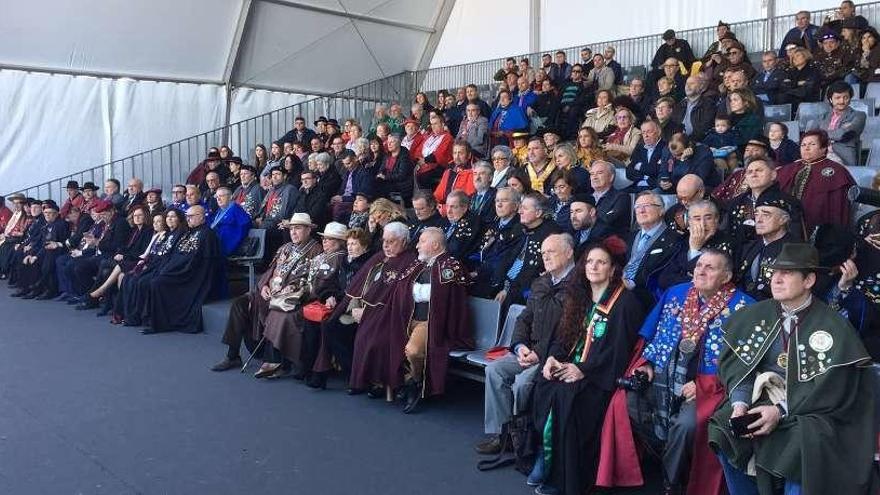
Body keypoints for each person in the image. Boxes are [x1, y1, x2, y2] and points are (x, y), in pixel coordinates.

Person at [709, 243, 878, 495]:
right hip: (762, 399)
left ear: (809, 279)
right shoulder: (754, 315)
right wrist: (740, 406)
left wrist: (780, 411)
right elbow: (740, 369)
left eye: (786, 273)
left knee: (803, 441)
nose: (776, 279)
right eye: (774, 272)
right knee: (723, 427)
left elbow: (832, 390)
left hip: (817, 410)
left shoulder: (833, 325)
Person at [623, 250, 753, 495]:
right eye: (699, 265)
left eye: (710, 268)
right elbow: (654, 334)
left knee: (685, 426)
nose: (701, 271)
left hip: (709, 388)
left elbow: (745, 363)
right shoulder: (677, 293)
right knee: (626, 401)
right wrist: (647, 363)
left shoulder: (744, 307)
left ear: (726, 276)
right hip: (664, 376)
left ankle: (670, 482)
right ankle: (663, 451)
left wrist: (705, 384)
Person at [529, 237, 645, 495]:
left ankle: (566, 478)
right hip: (573, 364)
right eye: (590, 261)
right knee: (544, 383)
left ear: (613, 269)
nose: (593, 267)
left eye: (601, 262)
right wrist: (553, 358)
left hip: (600, 376)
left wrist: (584, 370)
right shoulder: (578, 295)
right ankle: (545, 458)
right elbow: (563, 336)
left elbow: (618, 352)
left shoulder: (625, 304)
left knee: (568, 397)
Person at [476, 234, 575, 455]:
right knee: (494, 369)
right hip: (528, 350)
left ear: (569, 253)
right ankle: (501, 434)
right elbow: (524, 319)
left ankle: (522, 435)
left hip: (555, 356)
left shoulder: (580, 285)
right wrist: (520, 346)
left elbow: (569, 330)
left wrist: (538, 354)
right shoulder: (541, 282)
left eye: (551, 252)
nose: (545, 257)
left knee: (522, 384)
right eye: (543, 253)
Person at [211, 212, 320, 372]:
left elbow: (311, 281)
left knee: (278, 312)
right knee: (239, 304)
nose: (293, 232)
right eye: (291, 229)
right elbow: (270, 271)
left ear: (308, 230)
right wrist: (264, 287)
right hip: (270, 293)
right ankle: (232, 355)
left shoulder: (315, 250)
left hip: (290, 298)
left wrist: (289, 289)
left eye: (298, 228)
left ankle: (276, 359)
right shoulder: (285, 247)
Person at [383, 227, 472, 413]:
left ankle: (415, 383)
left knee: (413, 351)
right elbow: (401, 286)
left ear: (435, 244)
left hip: (431, 323)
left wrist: (417, 292)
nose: (417, 245)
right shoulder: (419, 264)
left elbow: (445, 298)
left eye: (422, 241)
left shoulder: (451, 265)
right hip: (408, 318)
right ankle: (404, 381)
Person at [262, 221, 346, 381]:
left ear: (340, 242)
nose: (325, 242)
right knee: (278, 309)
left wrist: (302, 291)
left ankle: (291, 362)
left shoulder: (338, 258)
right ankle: (276, 360)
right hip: (303, 294)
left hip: (316, 299)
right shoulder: (323, 255)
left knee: (286, 314)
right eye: (324, 239)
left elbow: (325, 284)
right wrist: (294, 286)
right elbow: (304, 275)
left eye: (330, 239)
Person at [349, 222, 419, 396]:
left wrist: (368, 311)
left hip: (392, 314)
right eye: (384, 241)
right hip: (369, 310)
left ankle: (380, 382)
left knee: (374, 338)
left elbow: (400, 297)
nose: (386, 245)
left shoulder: (410, 261)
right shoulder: (381, 256)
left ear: (403, 241)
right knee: (336, 327)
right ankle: (362, 379)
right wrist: (356, 306)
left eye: (391, 241)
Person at [306, 227, 375, 388]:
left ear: (364, 246)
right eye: (349, 243)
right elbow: (333, 284)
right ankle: (314, 370)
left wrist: (343, 301)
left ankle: (347, 372)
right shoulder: (345, 262)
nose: (350, 247)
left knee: (330, 327)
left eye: (354, 244)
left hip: (355, 308)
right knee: (313, 323)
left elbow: (366, 292)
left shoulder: (368, 264)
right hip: (339, 304)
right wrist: (329, 296)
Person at [146, 205, 222, 335]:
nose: (188, 219)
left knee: (158, 283)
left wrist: (178, 270)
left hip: (192, 275)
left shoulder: (207, 234)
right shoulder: (188, 232)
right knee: (155, 279)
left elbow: (204, 262)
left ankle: (162, 323)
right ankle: (158, 321)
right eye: (187, 216)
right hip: (178, 270)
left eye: (191, 216)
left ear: (202, 217)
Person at [776, 130, 856, 232]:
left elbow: (838, 206)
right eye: (803, 145)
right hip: (786, 223)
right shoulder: (789, 168)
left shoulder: (837, 170)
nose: (806, 148)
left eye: (812, 144)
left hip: (820, 227)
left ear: (823, 148)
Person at [493, 193, 561, 305]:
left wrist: (507, 290)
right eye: (520, 208)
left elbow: (532, 271)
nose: (520, 211)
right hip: (504, 284)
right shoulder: (518, 228)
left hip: (526, 292)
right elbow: (504, 257)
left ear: (538, 213)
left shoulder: (551, 235)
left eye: (524, 208)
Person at [659, 200, 734, 289]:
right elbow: (664, 280)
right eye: (697, 219)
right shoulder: (682, 242)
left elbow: (716, 281)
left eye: (708, 218)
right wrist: (693, 248)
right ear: (689, 222)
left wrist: (694, 250)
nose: (703, 224)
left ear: (717, 219)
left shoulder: (730, 242)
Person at [624, 191, 681, 306]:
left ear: (661, 210)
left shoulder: (674, 239)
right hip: (624, 295)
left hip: (652, 299)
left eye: (646, 206)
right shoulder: (630, 237)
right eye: (638, 207)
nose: (641, 210)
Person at [806, 80, 866, 166]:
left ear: (850, 98)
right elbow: (810, 135)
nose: (842, 101)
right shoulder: (822, 116)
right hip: (819, 154)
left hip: (842, 156)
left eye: (846, 97)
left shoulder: (859, 115)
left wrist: (821, 134)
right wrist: (838, 131)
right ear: (830, 99)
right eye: (837, 98)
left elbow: (844, 134)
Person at [589, 160, 632, 241]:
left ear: (611, 177)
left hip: (608, 243)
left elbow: (606, 222)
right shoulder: (586, 198)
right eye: (592, 174)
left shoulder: (621, 197)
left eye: (600, 173)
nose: (594, 177)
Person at [625, 120, 668, 192]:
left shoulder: (665, 147)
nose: (646, 135)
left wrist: (640, 166)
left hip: (654, 187)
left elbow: (659, 170)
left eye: (649, 132)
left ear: (658, 132)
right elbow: (629, 171)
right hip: (637, 186)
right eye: (643, 132)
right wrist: (645, 177)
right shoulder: (640, 147)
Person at [434, 140, 476, 210]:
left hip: (459, 211)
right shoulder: (449, 171)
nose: (457, 156)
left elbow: (467, 200)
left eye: (461, 153)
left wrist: (446, 208)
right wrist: (433, 203)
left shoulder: (473, 173)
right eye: (455, 153)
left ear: (469, 155)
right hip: (444, 208)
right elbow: (438, 193)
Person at [208, 186, 251, 257]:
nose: (218, 199)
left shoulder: (235, 209)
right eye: (217, 197)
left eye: (221, 196)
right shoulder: (219, 211)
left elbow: (244, 226)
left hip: (229, 244)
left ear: (230, 197)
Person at [374, 134, 415, 206]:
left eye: (392, 142)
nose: (389, 144)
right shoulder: (387, 155)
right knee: (373, 183)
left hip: (401, 185)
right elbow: (381, 169)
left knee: (379, 188)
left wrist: (385, 177)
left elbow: (401, 175)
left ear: (399, 143)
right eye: (388, 142)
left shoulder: (404, 156)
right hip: (388, 181)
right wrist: (380, 175)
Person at [672, 76, 716, 142]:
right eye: (686, 84)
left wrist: (687, 142)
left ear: (701, 87)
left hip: (698, 142)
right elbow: (673, 125)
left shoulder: (708, 105)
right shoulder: (680, 104)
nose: (688, 86)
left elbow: (704, 129)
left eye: (692, 83)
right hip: (678, 141)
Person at [417, 115, 454, 190]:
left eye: (435, 124)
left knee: (423, 176)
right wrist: (418, 160)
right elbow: (418, 150)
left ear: (442, 124)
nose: (433, 126)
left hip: (439, 166)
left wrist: (424, 160)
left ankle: (427, 199)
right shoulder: (429, 136)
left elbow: (440, 154)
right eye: (432, 124)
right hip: (424, 164)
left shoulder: (447, 137)